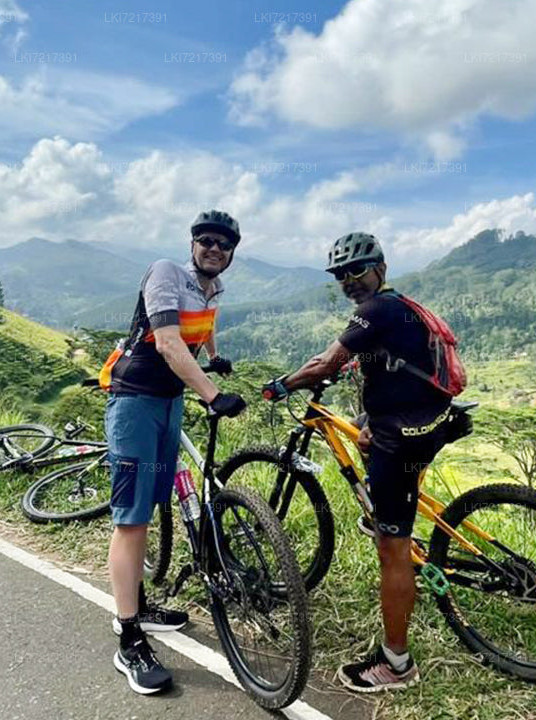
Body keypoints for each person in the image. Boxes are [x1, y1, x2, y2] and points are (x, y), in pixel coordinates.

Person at [262, 232, 451, 692]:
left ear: (380, 269)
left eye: (357, 270)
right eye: (341, 274)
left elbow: (326, 364)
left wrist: (282, 385)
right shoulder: (397, 306)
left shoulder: (375, 309)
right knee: (362, 429)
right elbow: (374, 357)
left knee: (393, 548)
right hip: (428, 418)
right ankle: (390, 515)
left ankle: (396, 666)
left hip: (402, 437)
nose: (349, 280)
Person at [104, 210, 247, 694]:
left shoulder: (213, 288)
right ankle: (128, 638)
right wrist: (212, 393)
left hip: (169, 404)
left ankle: (140, 606)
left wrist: (212, 357)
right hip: (135, 402)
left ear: (231, 254)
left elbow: (203, 324)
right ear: (192, 245)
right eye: (207, 241)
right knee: (133, 518)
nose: (214, 249)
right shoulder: (166, 272)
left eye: (224, 245)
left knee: (154, 501)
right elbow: (167, 341)